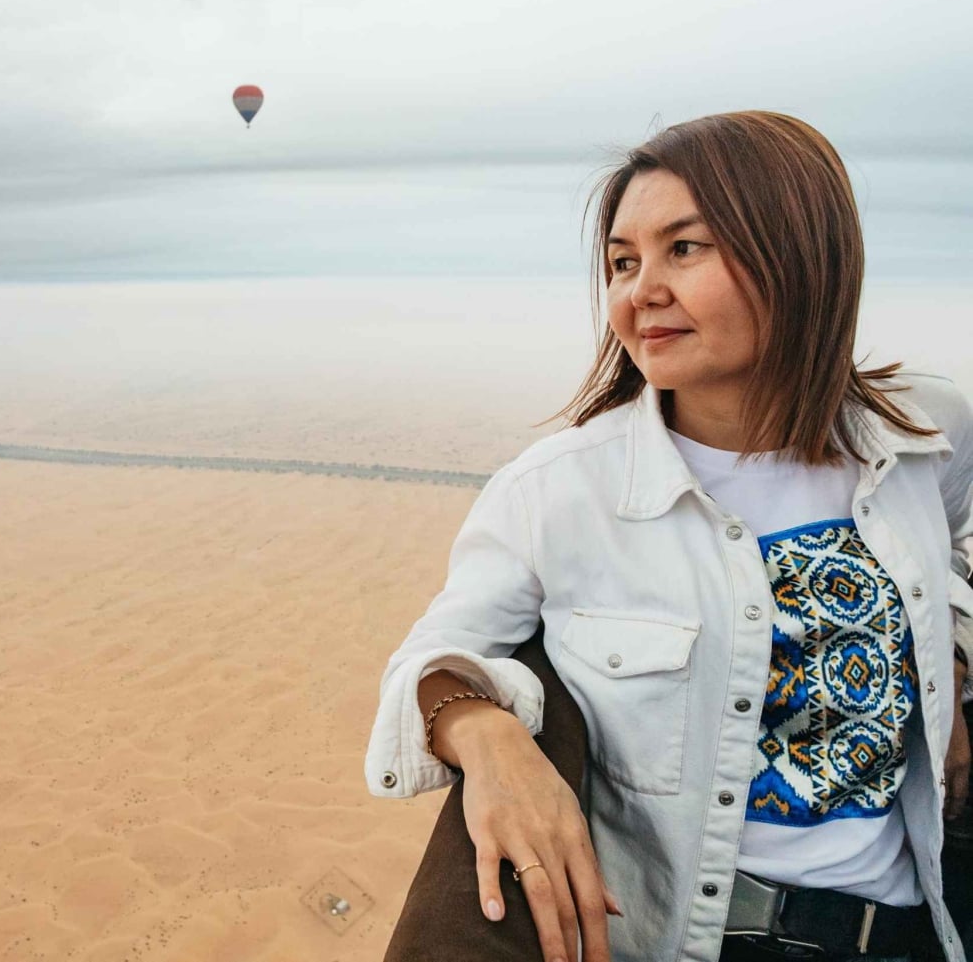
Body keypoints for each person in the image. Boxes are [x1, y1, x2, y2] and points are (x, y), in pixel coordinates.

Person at [364, 111, 973, 962]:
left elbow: (953, 546)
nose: (640, 289)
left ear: (797, 252)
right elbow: (424, 664)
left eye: (684, 248)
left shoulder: (923, 431)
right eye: (622, 261)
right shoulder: (558, 490)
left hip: (915, 931)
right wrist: (489, 736)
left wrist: (950, 651)